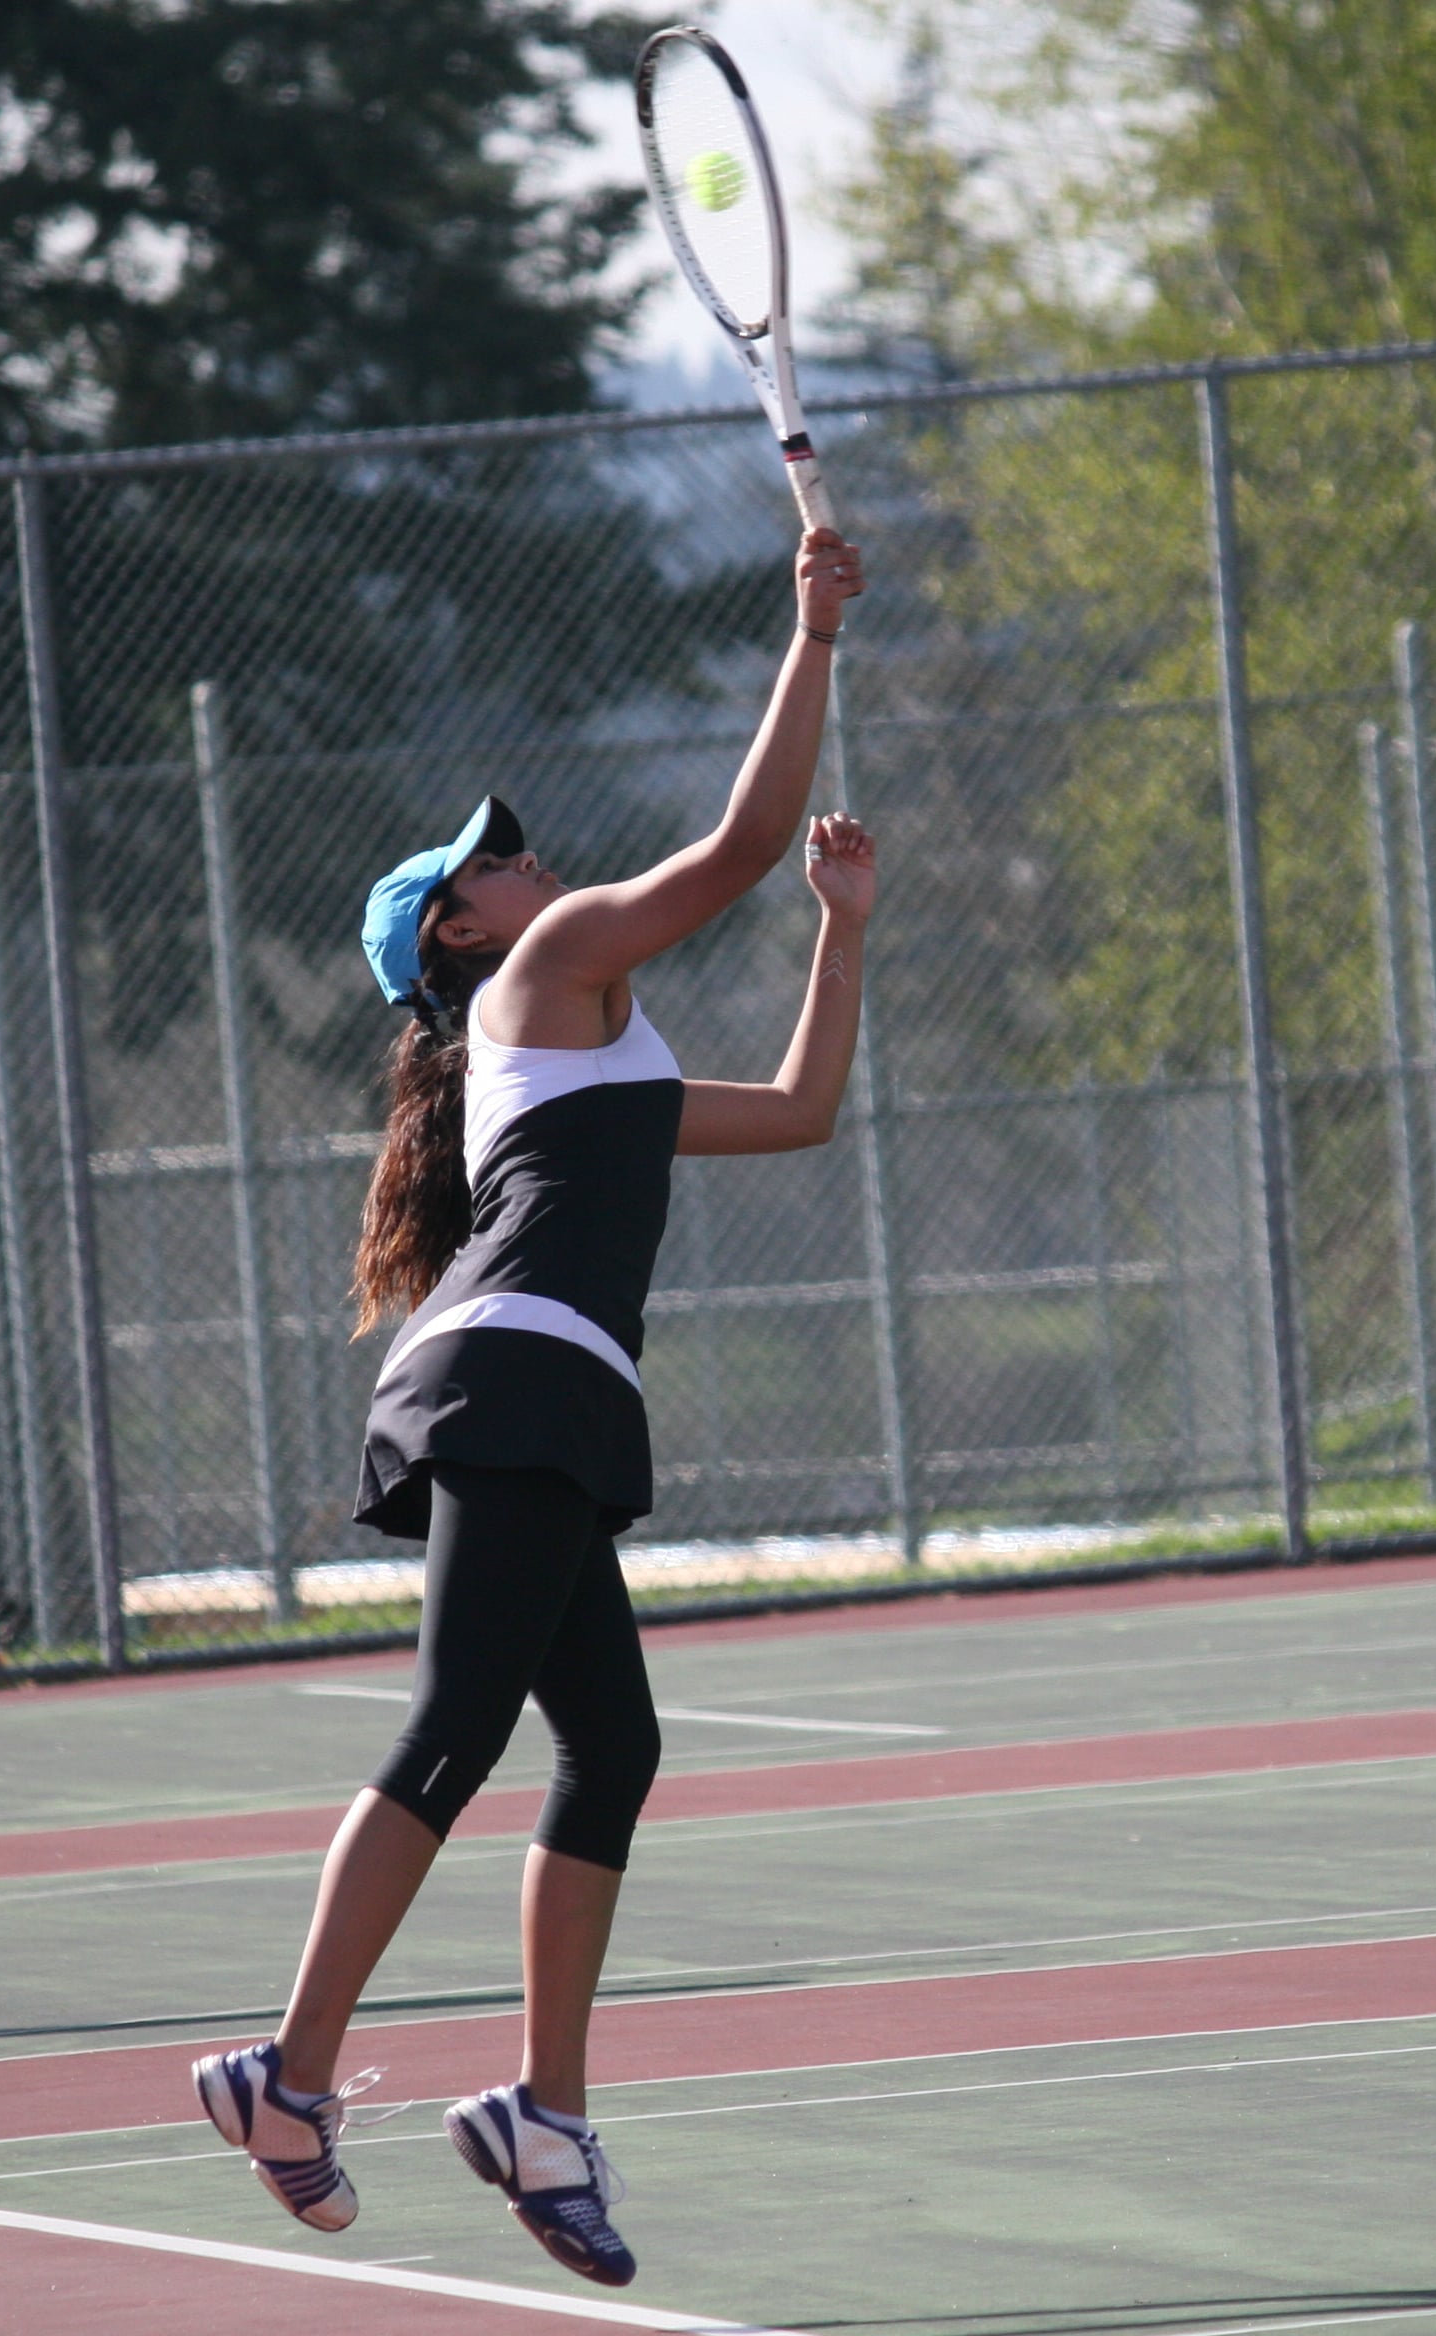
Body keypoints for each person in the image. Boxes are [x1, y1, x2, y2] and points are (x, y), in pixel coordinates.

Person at [196, 526, 871, 2287]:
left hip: (542, 1389)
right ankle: (287, 2073)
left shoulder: (600, 1057)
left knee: (611, 1748)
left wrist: (842, 931)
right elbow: (726, 844)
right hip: (508, 1381)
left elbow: (799, 1108)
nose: (527, 858)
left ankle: (541, 2113)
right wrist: (805, 639)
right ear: (457, 932)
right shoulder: (542, 968)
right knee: (450, 1732)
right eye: (487, 862)